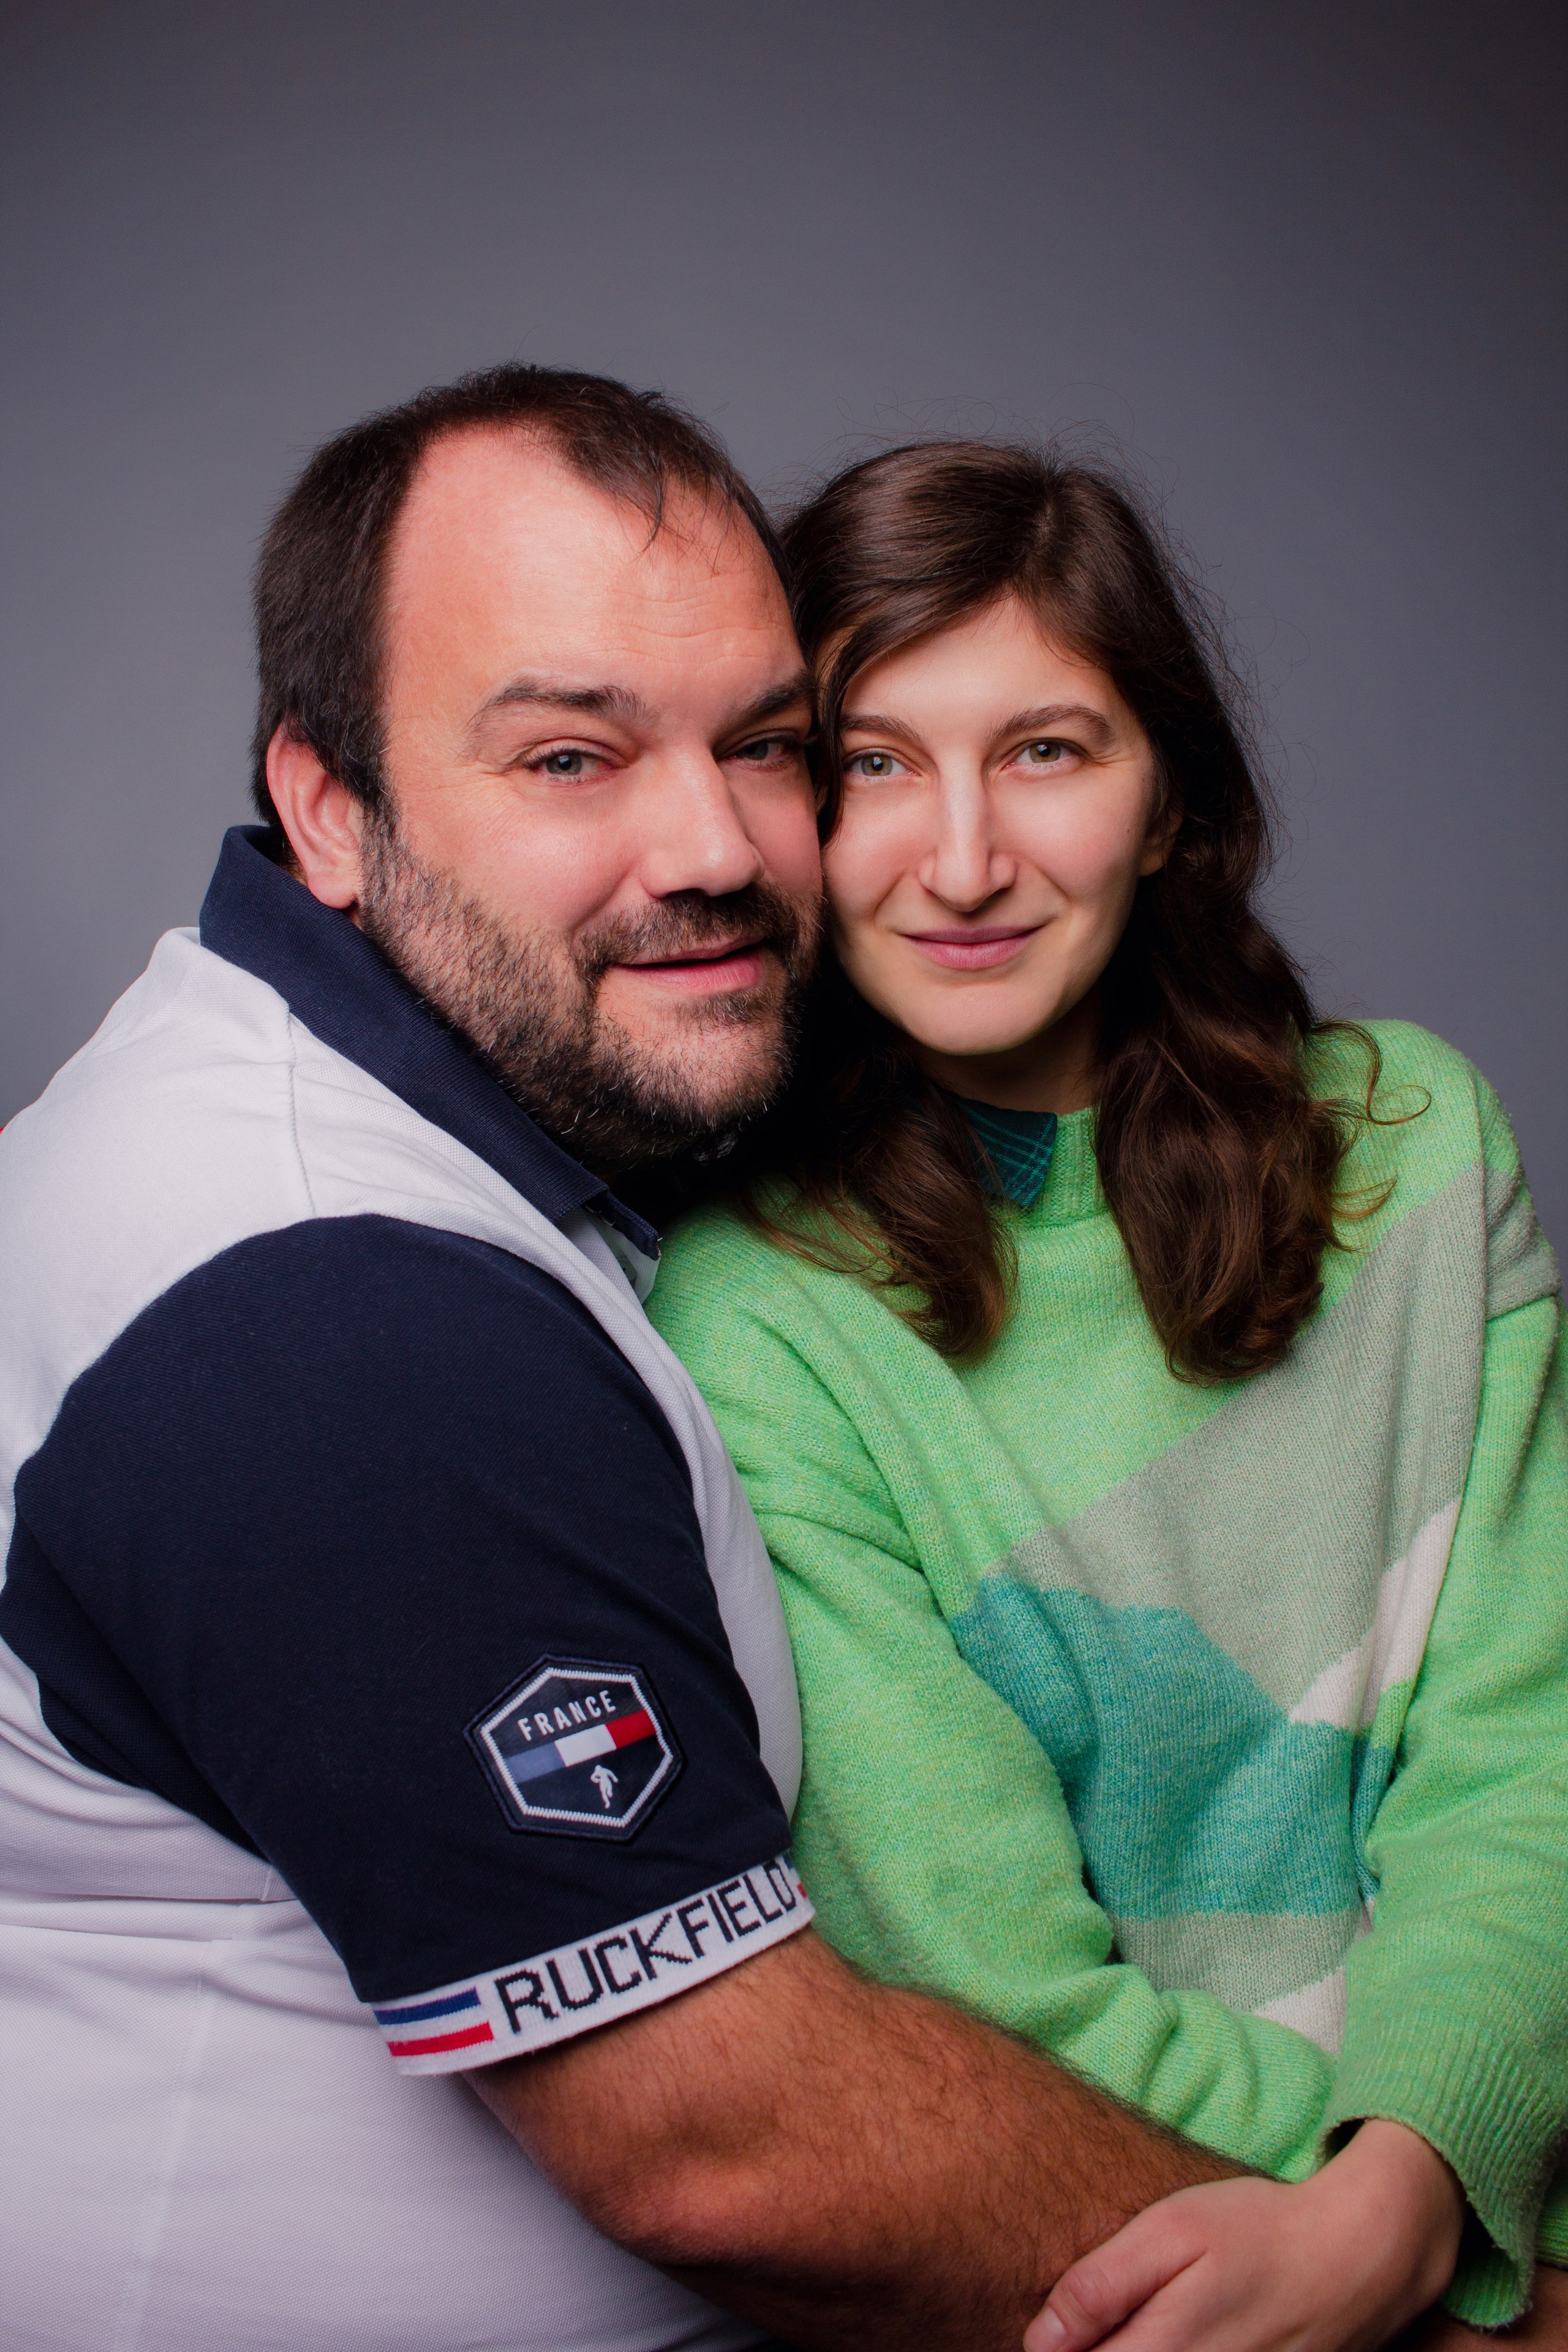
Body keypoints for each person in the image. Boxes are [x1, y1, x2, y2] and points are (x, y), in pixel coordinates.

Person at [0, 364, 1300, 2352]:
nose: (711, 847)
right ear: (329, 808)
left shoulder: (480, 1135)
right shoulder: (328, 1308)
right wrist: (1437, 2316)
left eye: (766, 744)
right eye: (568, 760)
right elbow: (735, 2150)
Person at [644, 439, 1568, 2348]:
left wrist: (1416, 2192)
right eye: (872, 762)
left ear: (1168, 807)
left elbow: (1532, 1753)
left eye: (1048, 750)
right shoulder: (757, 1317)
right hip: (1137, 2277)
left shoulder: (1415, 1145)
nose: (963, 859)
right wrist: (1386, 2245)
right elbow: (981, 1976)